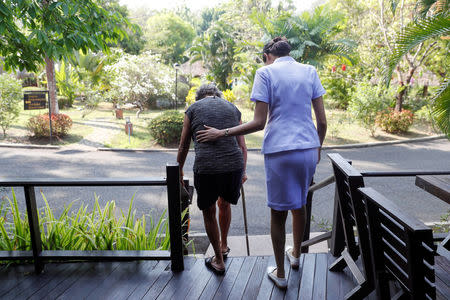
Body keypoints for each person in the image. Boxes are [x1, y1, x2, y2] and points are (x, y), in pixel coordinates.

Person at [196, 37, 327, 289]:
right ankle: (296, 257)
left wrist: (220, 133)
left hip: (280, 150)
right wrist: (317, 146)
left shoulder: (265, 73)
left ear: (268, 55)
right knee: (300, 203)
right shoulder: (310, 71)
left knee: (278, 213)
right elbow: (322, 122)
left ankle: (280, 273)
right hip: (309, 148)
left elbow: (259, 122)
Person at [177, 83, 247, 275]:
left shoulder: (193, 109)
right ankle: (223, 246)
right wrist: (243, 171)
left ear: (199, 97)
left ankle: (218, 260)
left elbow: (183, 145)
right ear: (218, 95)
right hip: (234, 166)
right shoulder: (233, 108)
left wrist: (179, 170)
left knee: (209, 211)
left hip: (207, 168)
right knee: (224, 204)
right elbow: (242, 146)